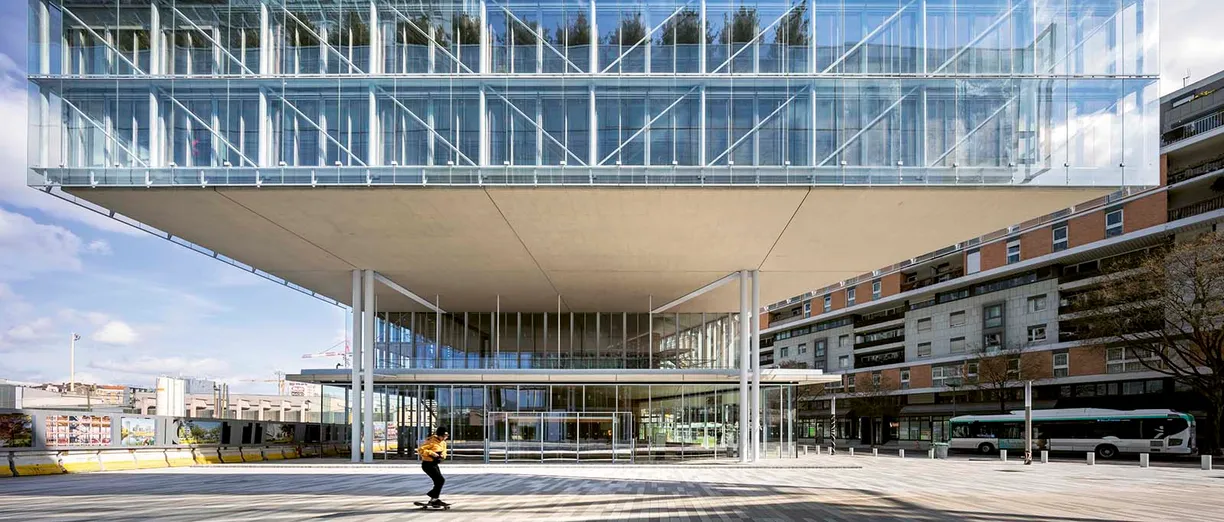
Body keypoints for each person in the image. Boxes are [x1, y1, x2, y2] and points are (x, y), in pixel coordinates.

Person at [416, 427, 450, 508]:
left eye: (446, 436)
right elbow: (420, 450)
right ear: (439, 435)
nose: (445, 438)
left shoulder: (443, 443)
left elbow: (445, 452)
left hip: (435, 464)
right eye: (443, 436)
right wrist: (431, 453)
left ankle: (434, 499)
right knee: (440, 480)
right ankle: (433, 497)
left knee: (438, 481)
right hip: (427, 464)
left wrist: (443, 455)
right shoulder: (431, 441)